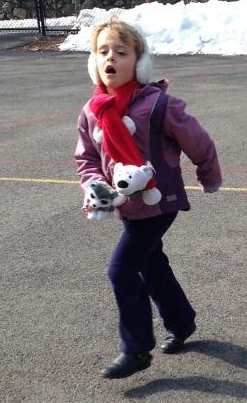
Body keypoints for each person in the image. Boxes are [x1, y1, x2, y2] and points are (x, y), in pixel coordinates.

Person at [75, 19, 221, 380]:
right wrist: (97, 187)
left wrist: (208, 173)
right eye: (103, 51)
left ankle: (137, 349)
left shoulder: (157, 105)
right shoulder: (93, 110)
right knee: (151, 263)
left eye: (121, 52)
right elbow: (88, 158)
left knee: (121, 269)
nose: (111, 58)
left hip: (161, 199)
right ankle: (182, 321)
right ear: (94, 62)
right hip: (126, 203)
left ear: (139, 63)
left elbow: (197, 139)